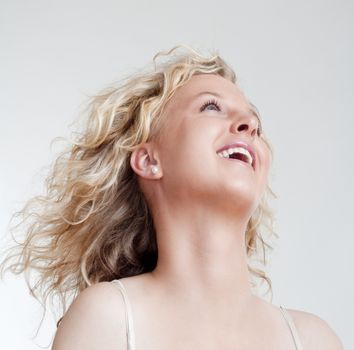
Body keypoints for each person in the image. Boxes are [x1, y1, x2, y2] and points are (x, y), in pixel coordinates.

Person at [0, 45, 343, 350]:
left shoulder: (314, 339)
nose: (249, 124)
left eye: (256, 121)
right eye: (211, 107)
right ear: (150, 160)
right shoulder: (108, 320)